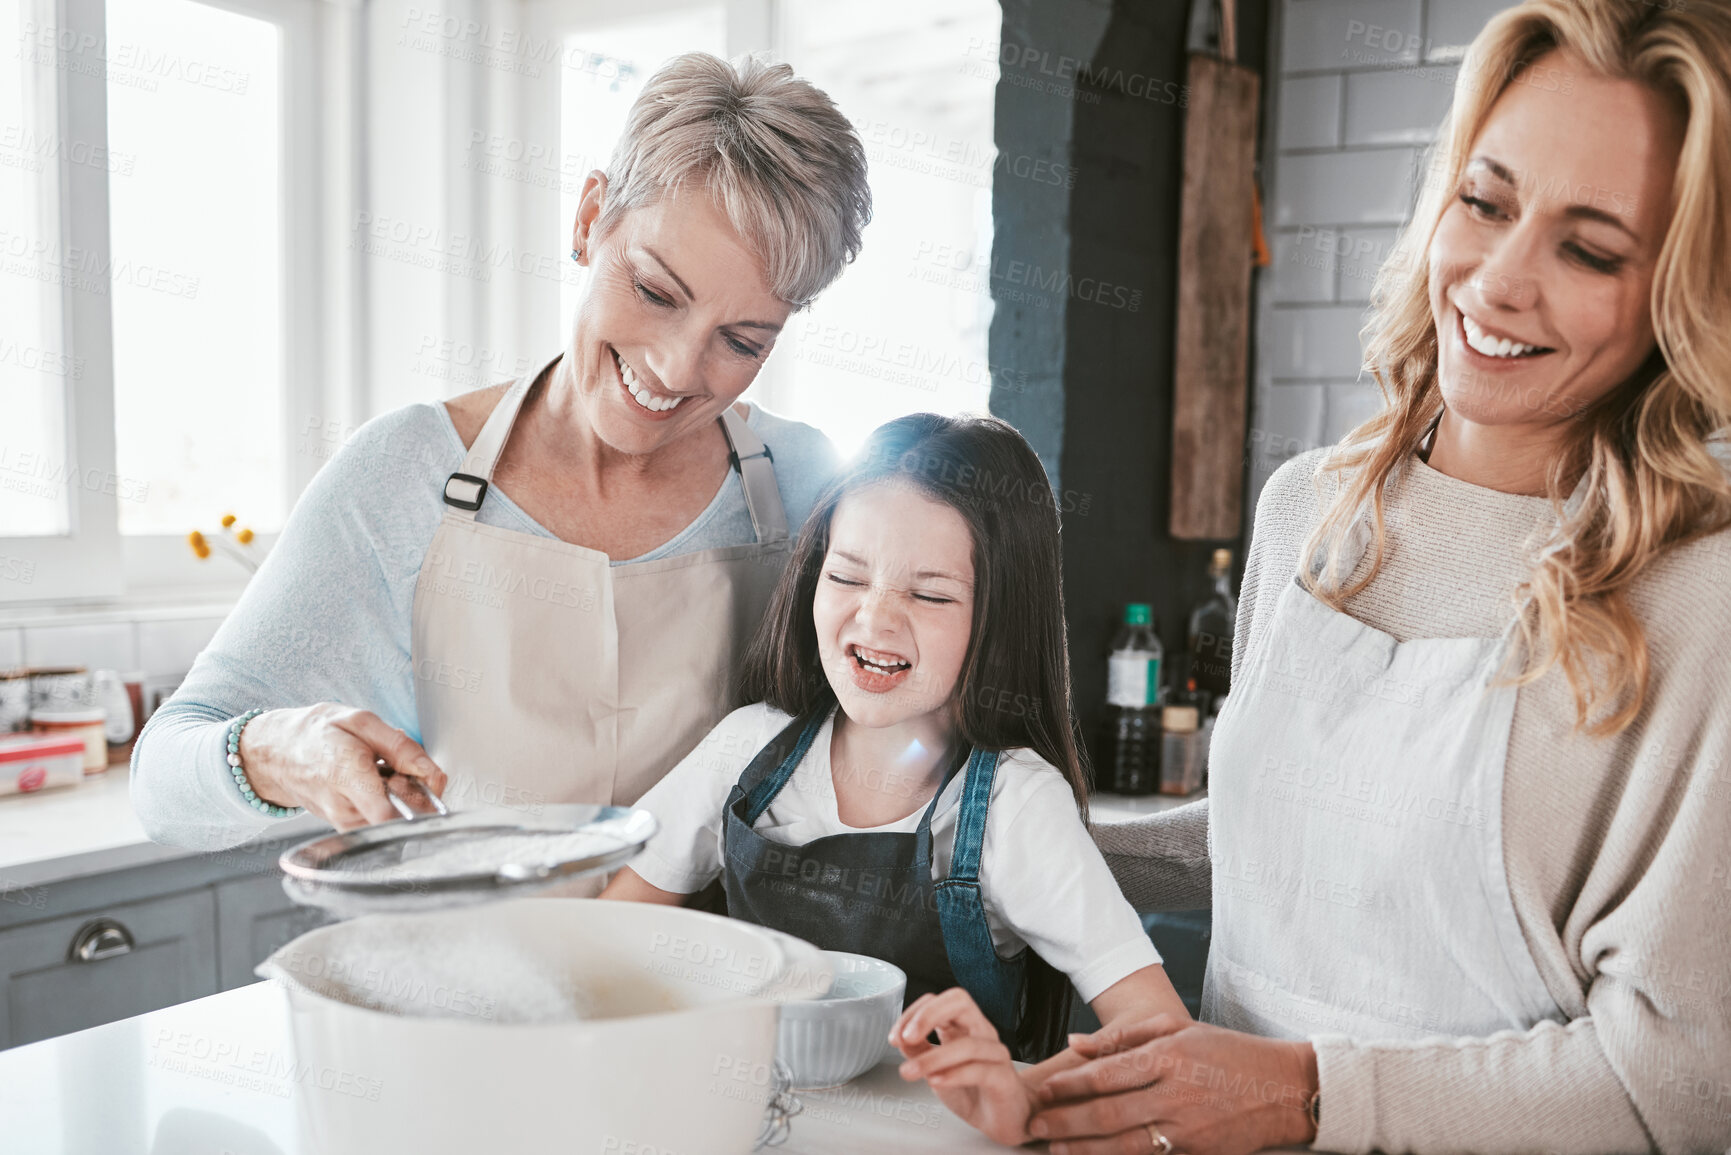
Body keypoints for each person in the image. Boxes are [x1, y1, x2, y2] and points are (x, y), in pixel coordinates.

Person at [897, 2, 1731, 1153]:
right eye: (1484, 204)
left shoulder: (1698, 600)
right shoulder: (1310, 512)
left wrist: (1300, 1093)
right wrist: (1005, 830)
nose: (1496, 281)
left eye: (1588, 249)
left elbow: (1675, 1088)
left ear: (1681, 296)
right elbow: (1279, 838)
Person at [130, 54, 869, 861]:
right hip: (455, 982)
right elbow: (161, 784)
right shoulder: (402, 474)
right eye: (656, 292)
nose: (675, 369)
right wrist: (278, 746)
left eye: (741, 340)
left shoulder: (801, 484)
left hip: (715, 983)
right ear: (590, 218)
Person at [601, 414, 1190, 1060]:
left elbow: (1164, 1045)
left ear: (1001, 617)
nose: (874, 617)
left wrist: (1025, 1094)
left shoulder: (1013, 807)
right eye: (847, 577)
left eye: (929, 595)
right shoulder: (744, 750)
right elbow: (606, 947)